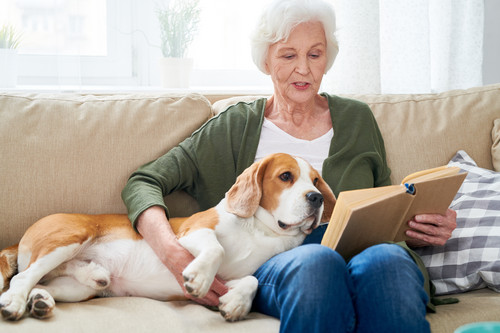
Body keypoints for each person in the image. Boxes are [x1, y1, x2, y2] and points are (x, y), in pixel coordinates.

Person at [122, 0, 457, 332]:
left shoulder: (358, 119)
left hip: (367, 254)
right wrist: (171, 252)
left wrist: (419, 228)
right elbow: (143, 181)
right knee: (318, 262)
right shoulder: (233, 127)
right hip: (276, 265)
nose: (304, 69)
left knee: (388, 262)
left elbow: (387, 202)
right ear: (266, 61)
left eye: (315, 54)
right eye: (288, 55)